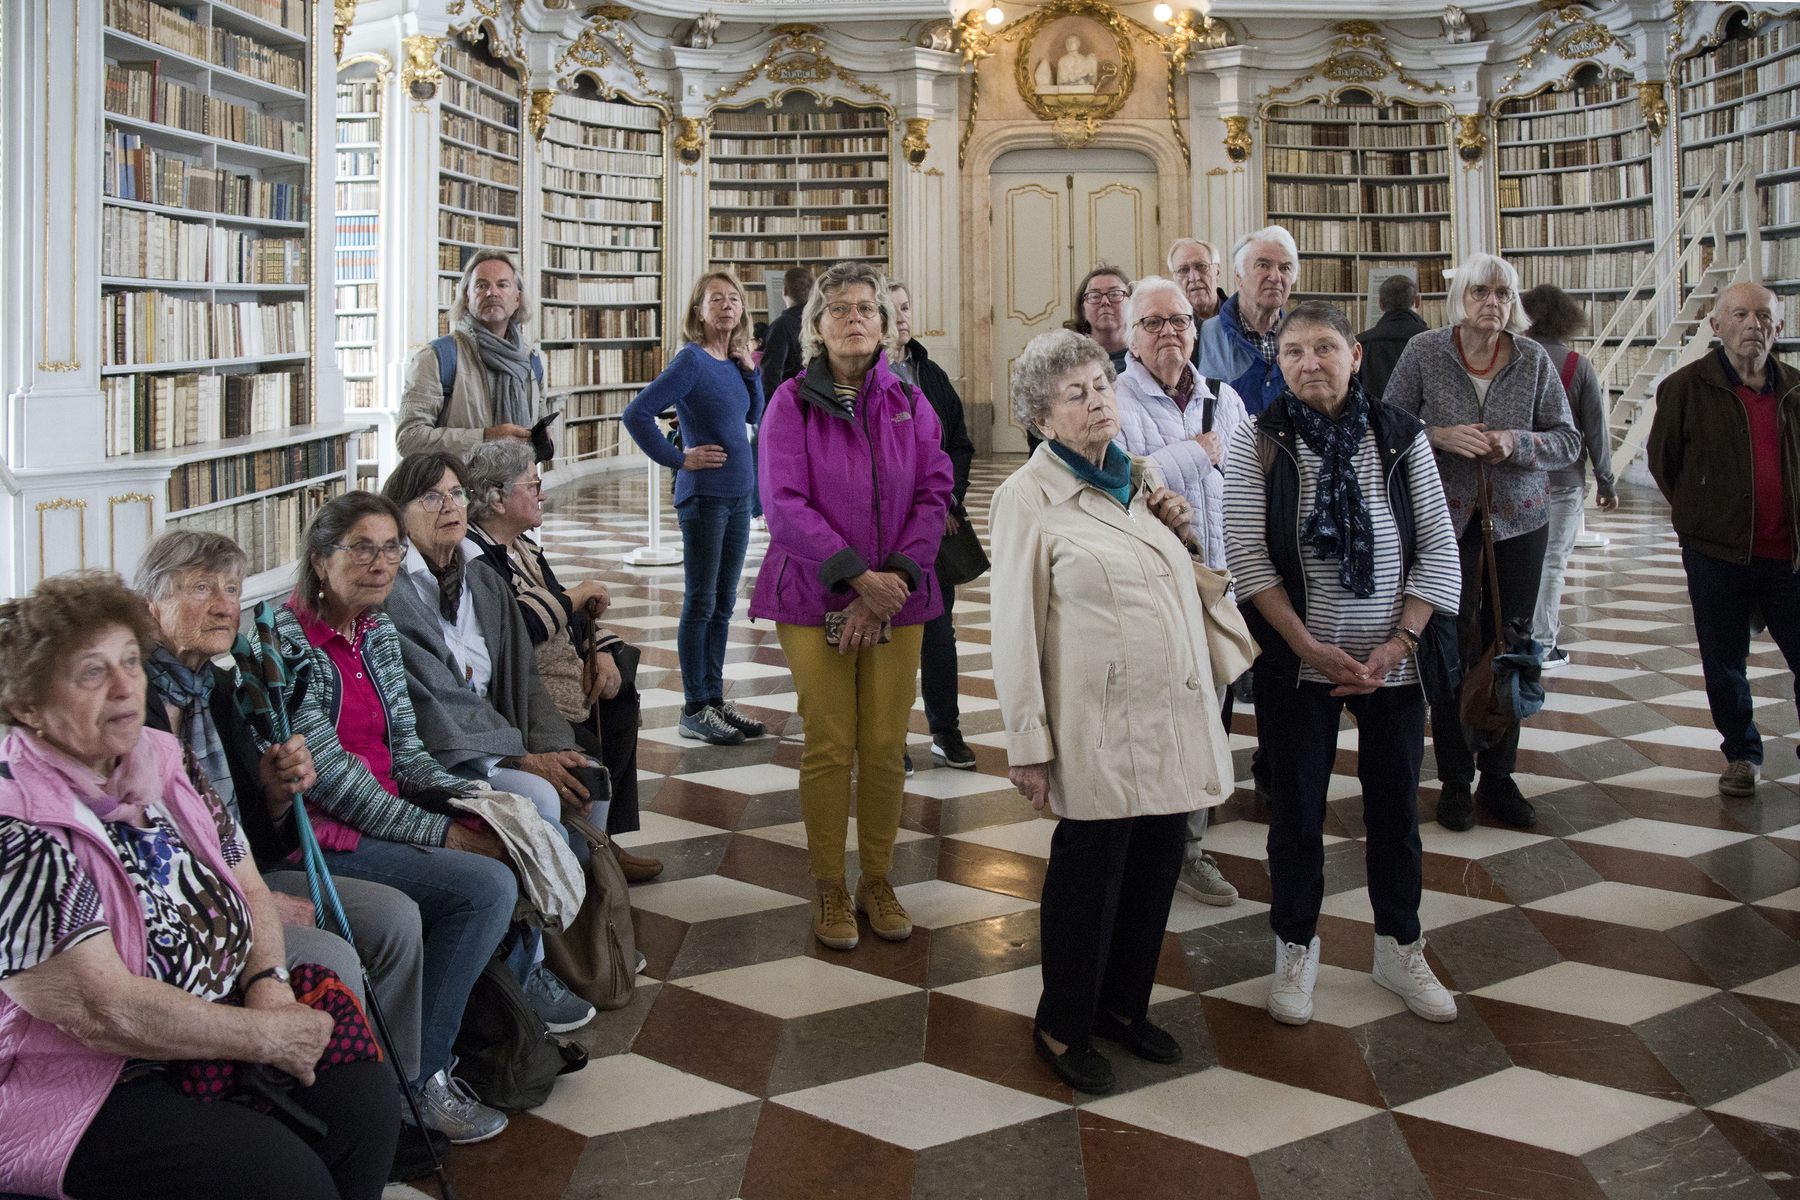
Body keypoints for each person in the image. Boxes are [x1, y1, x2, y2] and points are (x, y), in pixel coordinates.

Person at [0, 572, 399, 1200]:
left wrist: (269, 987)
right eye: (91, 672)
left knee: (362, 1102)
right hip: (95, 1081)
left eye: (131, 661)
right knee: (283, 1180)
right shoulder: (18, 825)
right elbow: (106, 1011)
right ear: (27, 706)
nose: (125, 686)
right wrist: (264, 1037)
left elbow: (247, 883)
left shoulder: (165, 761)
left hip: (216, 1020)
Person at [990, 328, 1234, 1095]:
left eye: (1101, 385)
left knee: (1155, 867)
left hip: (1169, 710)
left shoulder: (1141, 476)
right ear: (1041, 419)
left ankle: (1124, 1007)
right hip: (1093, 724)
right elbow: (1014, 630)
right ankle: (1063, 1022)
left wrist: (1182, 532)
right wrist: (1027, 744)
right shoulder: (1025, 498)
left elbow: (1176, 585)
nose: (1098, 401)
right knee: (1089, 878)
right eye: (1077, 394)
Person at [1224, 302, 1463, 1028]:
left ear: (1355, 356)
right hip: (1299, 665)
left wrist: (1401, 643)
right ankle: (1295, 947)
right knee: (1297, 813)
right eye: (1294, 351)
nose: (1310, 363)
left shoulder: (1401, 433)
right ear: (1279, 364)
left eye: (1325, 347)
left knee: (1396, 810)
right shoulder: (1258, 439)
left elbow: (1437, 546)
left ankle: (1399, 946)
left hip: (1393, 663)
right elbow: (1247, 557)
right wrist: (1306, 647)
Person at [134, 531, 431, 1095]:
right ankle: (335, 1110)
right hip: (184, 904)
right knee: (332, 955)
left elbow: (258, 838)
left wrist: (273, 792)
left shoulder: (217, 688)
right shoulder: (132, 701)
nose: (225, 606)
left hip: (245, 875)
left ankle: (399, 1093)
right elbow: (145, 855)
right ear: (151, 604)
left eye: (231, 589)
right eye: (202, 588)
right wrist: (251, 904)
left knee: (395, 919)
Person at [272, 491, 520, 1145]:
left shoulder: (375, 631)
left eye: (390, 548)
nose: (381, 563)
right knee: (486, 887)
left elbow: (406, 753)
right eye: (362, 548)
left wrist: (474, 800)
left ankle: (497, 1027)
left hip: (385, 817)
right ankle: (418, 1082)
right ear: (320, 559)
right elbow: (334, 782)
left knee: (516, 835)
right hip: (321, 837)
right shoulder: (287, 643)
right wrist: (440, 831)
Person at [750, 260, 954, 953]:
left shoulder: (910, 401)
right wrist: (858, 579)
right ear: (816, 326)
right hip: (814, 595)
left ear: (886, 324)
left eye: (867, 307)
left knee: (886, 746)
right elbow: (783, 504)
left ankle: (877, 878)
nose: (854, 318)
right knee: (831, 742)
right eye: (838, 308)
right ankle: (829, 884)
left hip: (900, 593)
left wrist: (891, 579)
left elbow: (934, 492)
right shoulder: (789, 403)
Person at [378, 451, 601, 1035]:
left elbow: (523, 680)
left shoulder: (482, 577)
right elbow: (435, 697)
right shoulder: (394, 593)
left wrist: (555, 747)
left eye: (455, 494)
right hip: (445, 755)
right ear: (398, 514)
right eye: (431, 497)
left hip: (497, 738)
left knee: (585, 779)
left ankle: (572, 948)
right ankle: (528, 969)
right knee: (539, 798)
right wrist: (522, 757)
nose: (449, 507)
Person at [1383, 252, 1580, 832]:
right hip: (1442, 522)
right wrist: (1438, 435)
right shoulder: (1425, 351)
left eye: (1502, 293)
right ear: (1460, 297)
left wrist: (1517, 443)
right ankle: (1453, 780)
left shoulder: (1533, 358)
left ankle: (1498, 774)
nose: (1492, 303)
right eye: (1480, 291)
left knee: (1510, 645)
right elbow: (1386, 425)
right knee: (1446, 644)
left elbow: (1568, 441)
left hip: (1520, 524)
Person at [461, 439, 663, 882]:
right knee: (585, 746)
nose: (543, 493)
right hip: (524, 691)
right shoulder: (474, 556)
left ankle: (605, 840)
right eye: (533, 484)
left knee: (621, 691)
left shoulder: (523, 547)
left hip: (562, 671)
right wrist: (577, 595)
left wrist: (600, 651)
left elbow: (566, 612)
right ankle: (593, 853)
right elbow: (516, 628)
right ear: (496, 497)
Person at [1111, 275, 1248, 907]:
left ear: (1196, 331)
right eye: (1153, 323)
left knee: (1209, 722)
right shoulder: (1114, 401)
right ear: (1131, 338)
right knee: (1151, 722)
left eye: (1180, 321)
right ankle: (1144, 843)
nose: (1169, 331)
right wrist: (1195, 452)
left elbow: (1246, 481)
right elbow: (1120, 486)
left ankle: (1190, 847)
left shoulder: (1224, 399)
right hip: (1149, 595)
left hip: (1217, 589)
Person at [1648, 282, 1800, 799]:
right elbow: (1665, 464)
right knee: (1724, 660)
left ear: (1779, 327)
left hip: (1789, 555)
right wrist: (1704, 516)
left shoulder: (1796, 389)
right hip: (1716, 554)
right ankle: (1741, 753)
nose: (1753, 324)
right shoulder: (1685, 387)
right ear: (1716, 325)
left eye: (1764, 316)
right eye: (1739, 314)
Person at [623, 272, 768, 746]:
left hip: (738, 495)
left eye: (734, 299)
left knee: (723, 604)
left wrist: (751, 370)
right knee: (702, 601)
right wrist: (679, 458)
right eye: (716, 299)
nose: (727, 305)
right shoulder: (691, 360)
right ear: (699, 311)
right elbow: (636, 414)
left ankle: (714, 700)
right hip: (704, 495)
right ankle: (694, 707)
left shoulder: (733, 361)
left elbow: (754, 415)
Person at [889, 277, 979, 772]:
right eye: (891, 308)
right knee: (893, 636)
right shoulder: (862, 376)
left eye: (906, 307)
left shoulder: (931, 374)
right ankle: (891, 738)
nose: (901, 316)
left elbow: (958, 445)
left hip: (936, 527)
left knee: (940, 633)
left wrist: (947, 501)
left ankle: (946, 730)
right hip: (885, 528)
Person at [1522, 284, 1619, 670]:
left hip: (1518, 479)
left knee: (1518, 562)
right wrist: (1606, 481)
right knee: (1553, 563)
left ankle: (1511, 639)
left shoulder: (1516, 358)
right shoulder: (1577, 365)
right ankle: (1543, 645)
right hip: (1564, 480)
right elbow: (1595, 429)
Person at [397, 248, 547, 457]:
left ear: (517, 299)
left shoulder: (530, 359)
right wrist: (485, 437)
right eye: (481, 285)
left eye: (502, 285)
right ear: (467, 298)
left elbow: (540, 424)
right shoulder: (437, 357)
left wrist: (545, 442)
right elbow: (409, 438)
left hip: (518, 476)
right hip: (460, 478)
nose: (492, 293)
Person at [1197, 225, 1298, 417]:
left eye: (1285, 268)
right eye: (1263, 265)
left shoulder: (1300, 340)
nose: (1276, 277)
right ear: (1238, 275)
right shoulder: (1203, 335)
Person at [1357, 274, 1430, 401]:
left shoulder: (1360, 344)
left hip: (1373, 413)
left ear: (1380, 304)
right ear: (1418, 301)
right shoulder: (1432, 342)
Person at [1066, 264, 1134, 377]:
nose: (1105, 301)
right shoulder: (1068, 359)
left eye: (1114, 294)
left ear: (1131, 303)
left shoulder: (1146, 356)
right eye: (1095, 296)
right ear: (1083, 309)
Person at [760, 264, 814, 403]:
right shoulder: (821, 322)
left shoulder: (781, 325)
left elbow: (771, 373)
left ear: (784, 291)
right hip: (816, 402)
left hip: (790, 401)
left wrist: (769, 408)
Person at [1168, 237, 1227, 330]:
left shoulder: (1242, 316)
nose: (1194, 278)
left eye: (1201, 266)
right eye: (1183, 270)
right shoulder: (1168, 326)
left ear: (1217, 272)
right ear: (1174, 279)